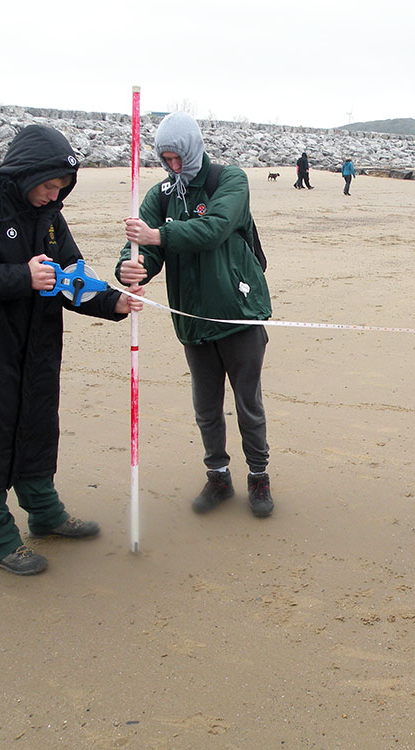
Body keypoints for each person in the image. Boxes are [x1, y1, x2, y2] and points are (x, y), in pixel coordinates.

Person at [0, 124, 144, 576]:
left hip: (35, 348)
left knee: (36, 427)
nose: (52, 195)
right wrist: (21, 276)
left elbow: (70, 276)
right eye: (47, 185)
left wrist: (112, 301)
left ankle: (44, 512)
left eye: (61, 188)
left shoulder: (51, 217)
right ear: (26, 172)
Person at [116, 112, 275, 519]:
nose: (172, 166)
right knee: (206, 406)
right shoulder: (160, 195)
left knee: (247, 404)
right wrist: (131, 266)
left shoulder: (230, 180)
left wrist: (157, 236)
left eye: (177, 157)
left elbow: (215, 228)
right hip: (191, 319)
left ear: (192, 150)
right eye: (165, 159)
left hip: (239, 314)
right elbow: (144, 249)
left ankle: (259, 476)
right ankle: (218, 476)